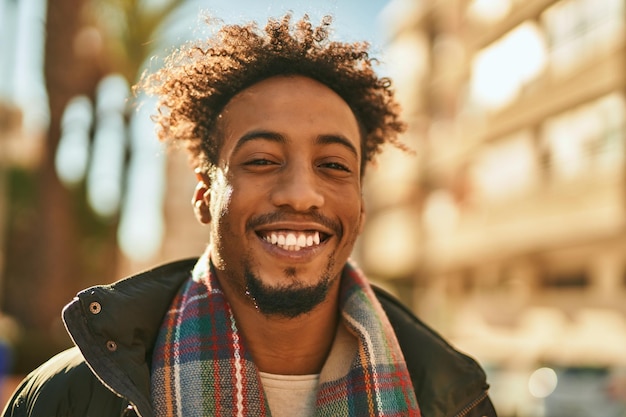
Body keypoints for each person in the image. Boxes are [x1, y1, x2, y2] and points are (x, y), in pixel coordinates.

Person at [3, 14, 497, 417]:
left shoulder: (455, 401)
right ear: (205, 193)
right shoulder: (64, 401)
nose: (302, 195)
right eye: (262, 160)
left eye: (333, 166)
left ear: (362, 207)